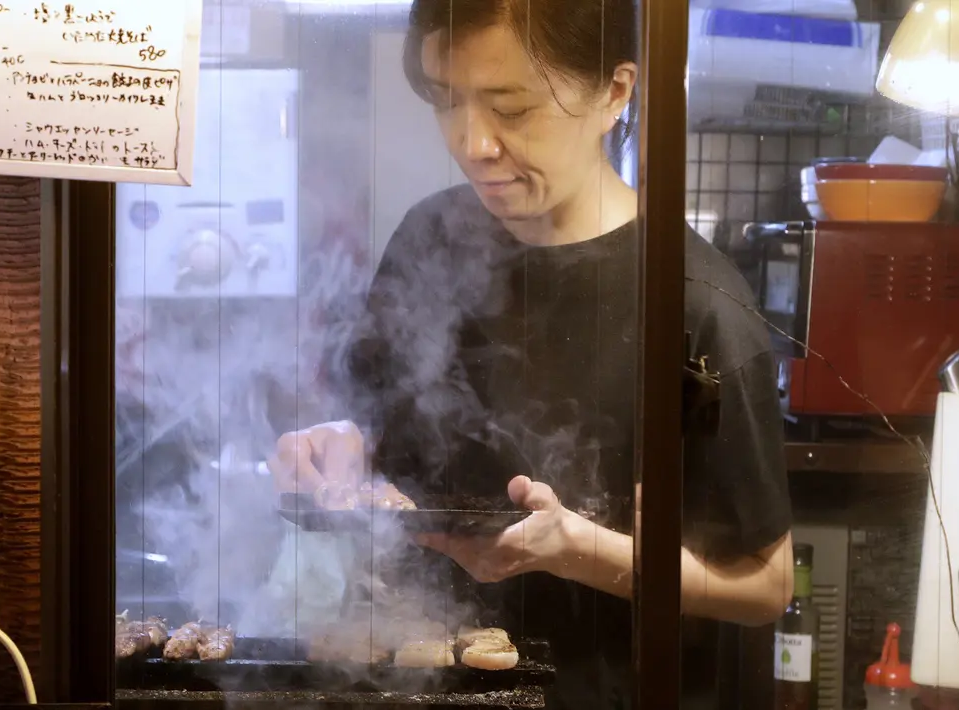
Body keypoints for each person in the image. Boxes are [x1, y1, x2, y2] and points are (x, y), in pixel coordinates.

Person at [268, 0, 794, 706]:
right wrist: (343, 450)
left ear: (614, 93)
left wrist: (582, 552)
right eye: (445, 101)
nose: (470, 141)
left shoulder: (694, 303)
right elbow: (390, 436)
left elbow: (765, 586)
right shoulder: (430, 237)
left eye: (509, 109)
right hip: (428, 681)